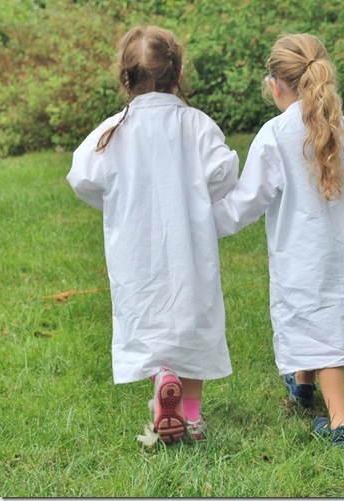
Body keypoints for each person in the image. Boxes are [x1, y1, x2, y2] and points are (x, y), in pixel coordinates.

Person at [211, 33, 344, 447]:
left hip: (300, 254)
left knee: (315, 321)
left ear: (276, 85)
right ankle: (303, 384)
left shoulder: (276, 134)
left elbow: (245, 202)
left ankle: (340, 424)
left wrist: (203, 223)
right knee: (324, 315)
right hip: (343, 250)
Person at [67, 25, 240, 443]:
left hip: (136, 250)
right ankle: (192, 415)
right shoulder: (196, 125)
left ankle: (162, 376)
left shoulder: (112, 131)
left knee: (146, 320)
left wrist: (115, 202)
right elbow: (224, 172)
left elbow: (81, 177)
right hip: (189, 246)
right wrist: (200, 198)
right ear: (177, 74)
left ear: (125, 79)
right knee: (193, 322)